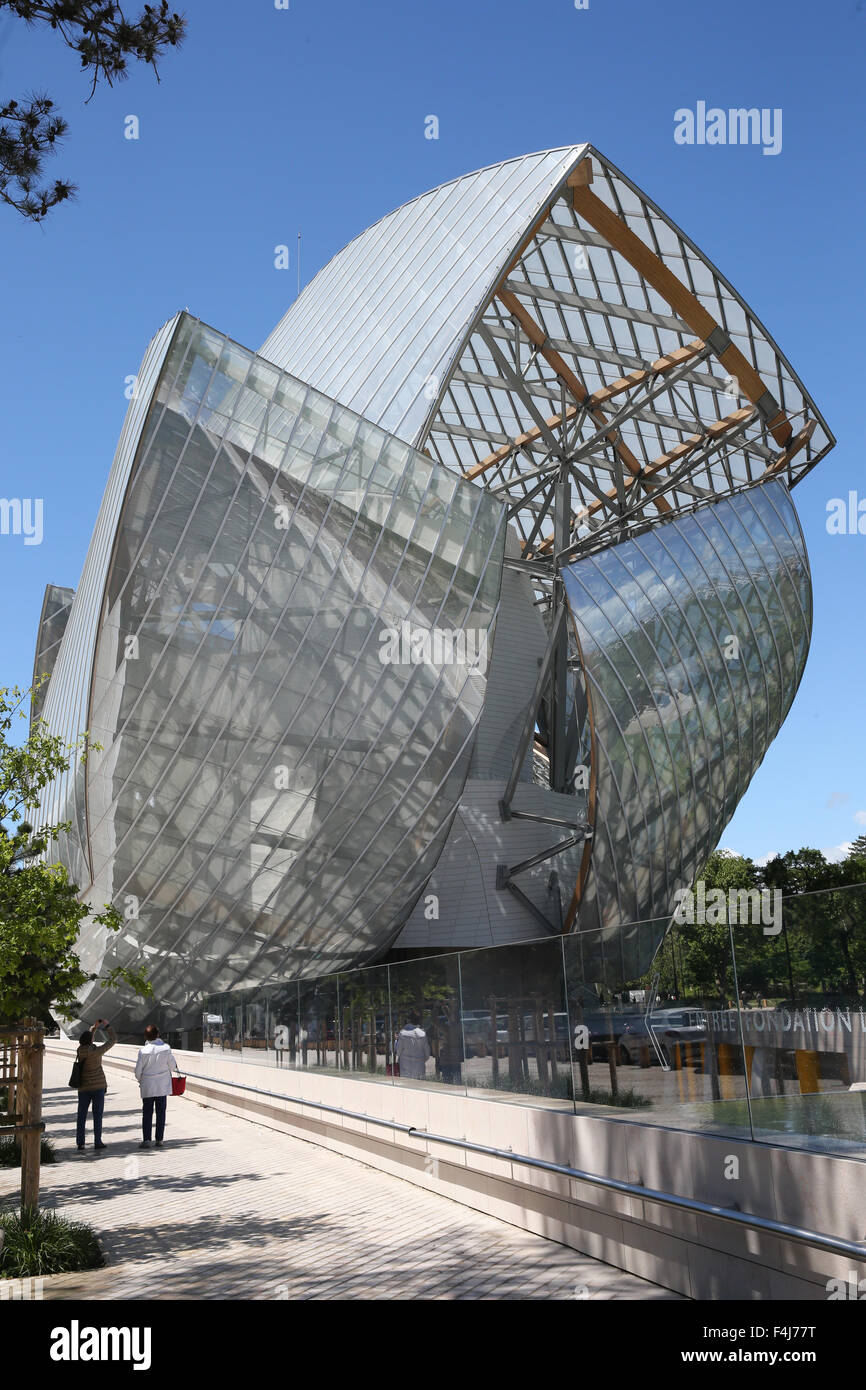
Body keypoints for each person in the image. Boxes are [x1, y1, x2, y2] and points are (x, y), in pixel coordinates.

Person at [134, 1024, 179, 1148]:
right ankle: (159, 1139)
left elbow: (138, 1071)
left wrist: (141, 1080)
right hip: (162, 1086)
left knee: (147, 1113)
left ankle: (147, 1140)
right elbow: (172, 1066)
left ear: (146, 1037)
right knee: (161, 1113)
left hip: (148, 1086)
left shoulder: (143, 1051)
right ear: (158, 1035)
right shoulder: (166, 1048)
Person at [75, 1018, 116, 1152]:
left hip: (84, 1087)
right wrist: (106, 1025)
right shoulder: (97, 1051)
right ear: (91, 1040)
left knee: (81, 1115)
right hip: (98, 1087)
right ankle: (97, 1141)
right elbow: (112, 1040)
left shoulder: (80, 1051)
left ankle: (80, 1142)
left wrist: (93, 1028)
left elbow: (87, 1039)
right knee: (97, 1115)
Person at [395, 1012, 431, 1080]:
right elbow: (427, 1054)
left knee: (407, 1087)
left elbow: (398, 1051)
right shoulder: (423, 1034)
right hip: (419, 1066)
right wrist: (420, 1060)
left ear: (408, 1020)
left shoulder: (402, 1033)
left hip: (405, 1066)